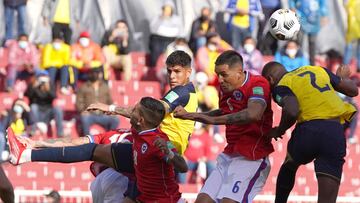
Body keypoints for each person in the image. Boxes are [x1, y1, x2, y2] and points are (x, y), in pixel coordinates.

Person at [9, 97, 188, 202]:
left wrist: (169, 153)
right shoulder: (137, 130)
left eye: (134, 110)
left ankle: (26, 155)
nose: (129, 111)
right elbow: (74, 144)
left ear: (140, 119)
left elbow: (183, 166)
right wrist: (110, 108)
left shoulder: (159, 141)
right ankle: (27, 153)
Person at [174, 50, 274, 203]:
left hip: (251, 158)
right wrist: (191, 115)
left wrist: (213, 121)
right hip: (229, 155)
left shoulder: (257, 83)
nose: (219, 80)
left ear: (239, 72)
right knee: (202, 201)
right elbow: (223, 112)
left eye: (224, 74)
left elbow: (254, 114)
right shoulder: (226, 89)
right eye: (217, 74)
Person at [261, 62, 358, 203]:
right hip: (334, 131)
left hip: (308, 131)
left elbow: (292, 110)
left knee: (289, 166)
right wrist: (342, 77)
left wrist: (279, 130)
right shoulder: (317, 70)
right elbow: (353, 90)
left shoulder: (281, 85)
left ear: (270, 79)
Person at [19, 129, 132, 202]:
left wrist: (35, 143)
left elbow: (73, 143)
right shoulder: (141, 136)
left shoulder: (112, 133)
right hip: (123, 176)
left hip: (100, 180)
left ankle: (27, 155)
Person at [75, 68, 119, 136]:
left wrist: (111, 110)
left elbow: (110, 101)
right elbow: (78, 102)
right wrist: (82, 111)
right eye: (93, 73)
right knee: (85, 118)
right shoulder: (84, 86)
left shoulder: (105, 86)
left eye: (96, 73)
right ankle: (87, 140)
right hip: (90, 114)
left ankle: (108, 137)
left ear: (100, 75)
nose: (94, 75)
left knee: (115, 119)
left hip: (103, 114)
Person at [25, 70, 64, 137]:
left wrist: (48, 88)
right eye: (40, 76)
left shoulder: (50, 84)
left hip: (47, 112)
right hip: (36, 112)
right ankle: (33, 130)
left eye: (44, 76)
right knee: (33, 106)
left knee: (57, 109)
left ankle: (60, 133)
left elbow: (54, 96)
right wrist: (34, 86)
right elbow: (28, 95)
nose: (42, 78)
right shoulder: (33, 84)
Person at [289, 0, 328, 65]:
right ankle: (296, 64)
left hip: (314, 20)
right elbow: (292, 1)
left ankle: (312, 65)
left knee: (312, 44)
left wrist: (324, 15)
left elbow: (322, 3)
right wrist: (292, 7)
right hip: (300, 18)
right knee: (299, 42)